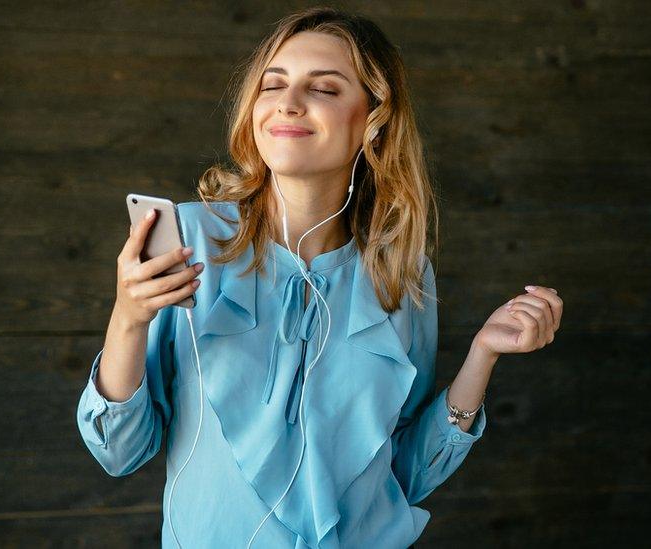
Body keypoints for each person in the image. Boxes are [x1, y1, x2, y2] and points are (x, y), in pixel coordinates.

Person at [75, 7, 563, 549]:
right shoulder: (189, 239)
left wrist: (482, 357)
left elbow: (406, 476)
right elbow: (119, 452)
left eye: (324, 88)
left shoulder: (400, 273)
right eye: (273, 84)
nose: (288, 102)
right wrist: (129, 316)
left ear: (373, 119)